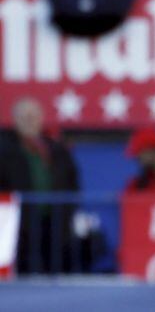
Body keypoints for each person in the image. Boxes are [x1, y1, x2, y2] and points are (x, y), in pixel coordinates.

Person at [0, 98, 79, 273]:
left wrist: (68, 209)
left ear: (41, 118)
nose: (29, 120)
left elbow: (73, 182)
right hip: (19, 224)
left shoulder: (56, 149)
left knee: (55, 269)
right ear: (15, 119)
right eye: (24, 116)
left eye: (33, 116)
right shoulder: (5, 150)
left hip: (55, 221)